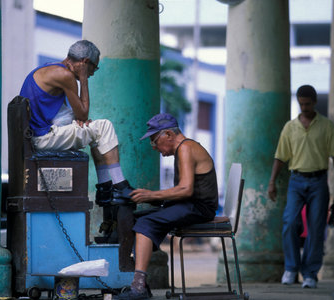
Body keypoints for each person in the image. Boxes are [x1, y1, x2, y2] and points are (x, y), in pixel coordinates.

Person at [114, 113, 219, 300]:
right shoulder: (183, 148)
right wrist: (148, 198)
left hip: (199, 207)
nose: (154, 147)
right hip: (190, 204)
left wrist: (151, 195)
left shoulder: (186, 147)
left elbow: (186, 190)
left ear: (169, 134)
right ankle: (141, 283)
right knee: (135, 220)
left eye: (155, 141)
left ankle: (138, 289)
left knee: (146, 223)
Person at [19, 39, 133, 204]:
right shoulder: (65, 75)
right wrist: (84, 78)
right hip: (42, 138)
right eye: (94, 67)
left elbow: (69, 114)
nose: (93, 72)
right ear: (85, 62)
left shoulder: (49, 68)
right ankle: (119, 185)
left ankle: (105, 186)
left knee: (95, 130)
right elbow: (83, 113)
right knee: (104, 126)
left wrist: (80, 121)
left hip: (37, 135)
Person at [268, 85, 334, 289]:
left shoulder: (327, 126)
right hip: (296, 180)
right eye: (301, 104)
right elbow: (280, 157)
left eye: (307, 104)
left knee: (316, 228)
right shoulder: (290, 127)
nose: (304, 107)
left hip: (319, 182)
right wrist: (272, 182)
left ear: (315, 102)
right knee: (289, 222)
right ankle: (291, 268)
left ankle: (310, 273)